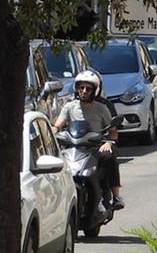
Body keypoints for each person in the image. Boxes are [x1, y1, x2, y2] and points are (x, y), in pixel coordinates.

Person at [53, 70, 124, 210]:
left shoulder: (102, 108)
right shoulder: (69, 107)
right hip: (75, 148)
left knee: (109, 157)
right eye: (81, 88)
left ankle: (115, 196)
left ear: (95, 91)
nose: (84, 91)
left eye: (88, 89)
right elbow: (57, 125)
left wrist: (108, 142)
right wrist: (53, 131)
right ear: (76, 88)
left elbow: (113, 132)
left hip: (96, 147)